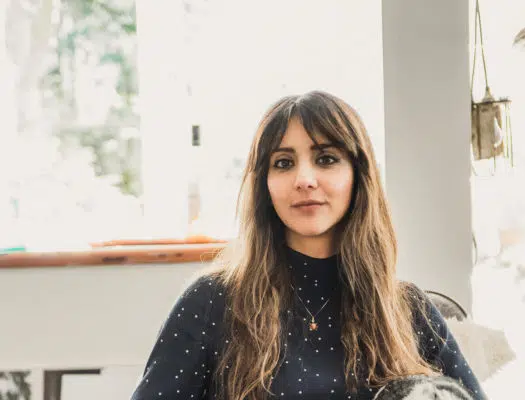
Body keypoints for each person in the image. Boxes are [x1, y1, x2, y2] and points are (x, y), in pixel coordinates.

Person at [130, 91, 486, 400]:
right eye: (283, 163)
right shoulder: (209, 302)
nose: (304, 180)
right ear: (264, 185)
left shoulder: (409, 310)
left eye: (326, 159)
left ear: (358, 176)